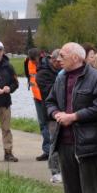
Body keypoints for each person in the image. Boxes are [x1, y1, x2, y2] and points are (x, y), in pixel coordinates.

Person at [44, 43, 97, 193]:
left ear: (75, 57)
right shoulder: (61, 78)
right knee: (71, 188)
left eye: (62, 55)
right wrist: (56, 113)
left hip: (89, 143)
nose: (58, 59)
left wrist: (74, 116)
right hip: (64, 140)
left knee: (92, 191)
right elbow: (49, 101)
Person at [38, 49, 63, 183]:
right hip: (52, 114)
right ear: (53, 60)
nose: (61, 63)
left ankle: (67, 171)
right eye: (59, 61)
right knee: (54, 142)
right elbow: (49, 92)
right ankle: (55, 172)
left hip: (66, 112)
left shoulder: (63, 72)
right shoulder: (42, 74)